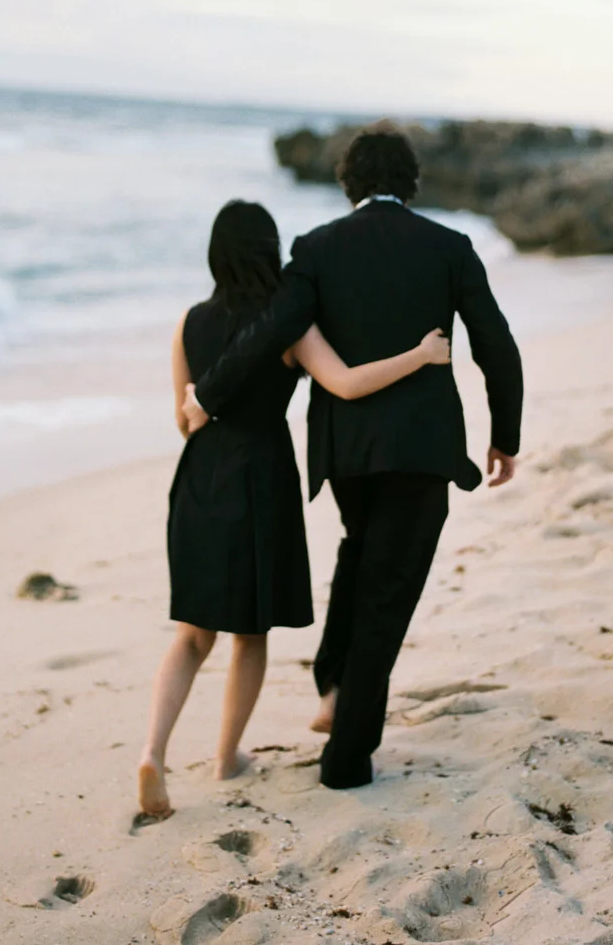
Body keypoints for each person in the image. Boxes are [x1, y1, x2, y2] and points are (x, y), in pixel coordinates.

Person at [184, 124, 523, 790]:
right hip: (421, 449)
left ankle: (334, 684)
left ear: (349, 183)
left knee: (362, 548)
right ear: (411, 183)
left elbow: (272, 330)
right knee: (388, 591)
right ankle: (346, 757)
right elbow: (496, 344)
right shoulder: (449, 246)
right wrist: (504, 435)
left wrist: (208, 395)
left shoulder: (317, 247)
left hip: (346, 451)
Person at [138, 198, 451, 818]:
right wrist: (419, 356)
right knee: (248, 634)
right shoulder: (287, 327)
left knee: (190, 635)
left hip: (200, 479)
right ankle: (226, 757)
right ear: (269, 250)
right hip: (261, 479)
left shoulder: (187, 323)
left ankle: (153, 751)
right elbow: (347, 381)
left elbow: (184, 420)